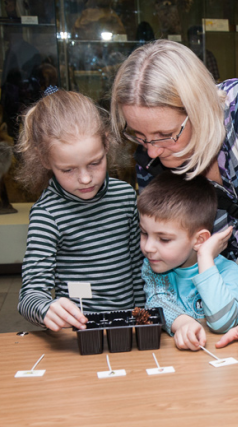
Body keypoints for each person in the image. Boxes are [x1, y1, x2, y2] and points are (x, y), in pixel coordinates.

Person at [110, 40, 238, 359]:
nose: (152, 151)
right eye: (140, 137)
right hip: (199, 300)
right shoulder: (151, 148)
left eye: (166, 136)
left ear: (198, 108)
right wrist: (177, 315)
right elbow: (161, 238)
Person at [16, 89, 144, 331]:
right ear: (45, 159)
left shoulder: (126, 197)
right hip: (80, 334)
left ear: (106, 143)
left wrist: (143, 319)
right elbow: (30, 295)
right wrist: (46, 309)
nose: (85, 179)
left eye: (95, 163)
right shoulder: (47, 215)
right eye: (68, 170)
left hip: (128, 328)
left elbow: (139, 270)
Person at [137, 171, 238, 351]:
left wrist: (205, 257)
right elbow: (157, 301)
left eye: (164, 239)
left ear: (199, 240)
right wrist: (182, 323)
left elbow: (222, 323)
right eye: (144, 233)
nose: (148, 247)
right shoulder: (153, 266)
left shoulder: (229, 272)